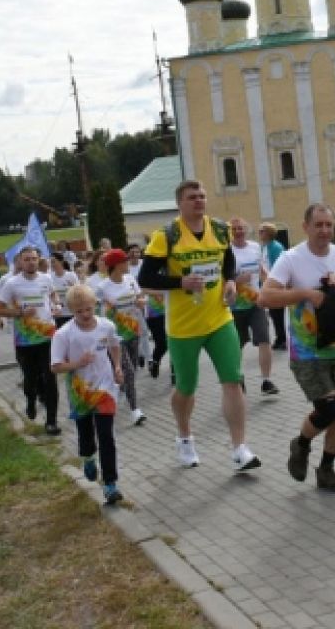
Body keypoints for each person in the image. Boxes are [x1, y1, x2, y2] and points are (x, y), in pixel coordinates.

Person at [137, 180, 260, 472]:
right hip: (183, 326)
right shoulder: (166, 236)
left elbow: (227, 261)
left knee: (232, 380)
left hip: (219, 319)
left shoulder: (219, 229)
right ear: (180, 202)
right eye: (193, 197)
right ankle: (184, 437)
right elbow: (145, 278)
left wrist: (230, 281)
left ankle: (239, 448)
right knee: (186, 388)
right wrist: (180, 282)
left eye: (203, 196)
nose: (199, 201)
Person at [261, 205, 335, 491]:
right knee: (329, 409)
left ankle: (327, 469)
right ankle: (302, 443)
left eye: (328, 225)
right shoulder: (291, 258)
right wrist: (307, 294)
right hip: (308, 352)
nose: (324, 231)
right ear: (305, 226)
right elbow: (265, 297)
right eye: (318, 225)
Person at [51, 284, 125, 504]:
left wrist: (118, 367)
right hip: (80, 392)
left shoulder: (107, 326)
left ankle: (110, 484)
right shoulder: (63, 334)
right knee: (86, 435)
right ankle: (88, 458)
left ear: (95, 305)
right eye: (78, 311)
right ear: (71, 311)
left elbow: (114, 346)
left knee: (106, 436)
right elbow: (55, 367)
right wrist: (76, 363)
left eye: (88, 309)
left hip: (105, 389)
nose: (84, 314)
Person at [0, 247, 62, 435]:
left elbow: (53, 295)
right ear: (20, 262)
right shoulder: (12, 284)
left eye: (34, 258)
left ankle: (51, 421)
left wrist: (56, 305)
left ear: (38, 260)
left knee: (50, 379)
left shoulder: (46, 278)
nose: (31, 262)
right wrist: (19, 313)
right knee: (30, 379)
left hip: (47, 336)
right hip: (25, 341)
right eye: (27, 259)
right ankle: (31, 400)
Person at [229, 217, 278, 397]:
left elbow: (262, 271)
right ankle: (237, 376)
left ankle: (266, 381)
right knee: (236, 346)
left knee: (264, 340)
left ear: (247, 230)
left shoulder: (255, 248)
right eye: (234, 229)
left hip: (256, 303)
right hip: (234, 307)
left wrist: (271, 286)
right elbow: (220, 279)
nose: (238, 231)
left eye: (241, 228)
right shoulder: (226, 251)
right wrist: (236, 279)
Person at [98, 248, 146, 426]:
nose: (128, 263)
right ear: (116, 265)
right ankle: (135, 410)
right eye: (125, 261)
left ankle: (116, 388)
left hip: (133, 330)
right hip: (115, 336)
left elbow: (140, 297)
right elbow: (95, 309)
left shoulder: (130, 279)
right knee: (130, 372)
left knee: (131, 370)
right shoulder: (103, 288)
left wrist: (141, 302)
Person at [259, 222, 288, 350]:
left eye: (262, 231)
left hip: (276, 285)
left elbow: (280, 267)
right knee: (273, 313)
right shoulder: (264, 247)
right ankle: (280, 337)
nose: (259, 233)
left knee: (278, 313)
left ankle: (283, 339)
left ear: (269, 233)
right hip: (267, 284)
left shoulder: (276, 247)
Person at [51, 256, 80, 328]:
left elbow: (79, 291)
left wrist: (73, 288)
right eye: (51, 262)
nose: (52, 264)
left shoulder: (71, 275)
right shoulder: (50, 277)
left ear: (61, 262)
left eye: (54, 261)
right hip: (59, 314)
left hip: (72, 312)